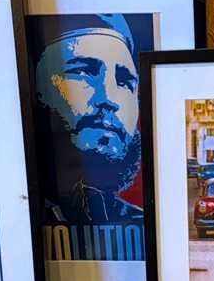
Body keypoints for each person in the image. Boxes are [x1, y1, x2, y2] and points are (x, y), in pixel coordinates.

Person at [33, 15, 144, 227]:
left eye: (124, 81)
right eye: (83, 72)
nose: (109, 99)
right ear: (37, 90)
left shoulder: (142, 224)